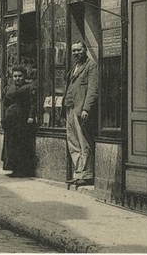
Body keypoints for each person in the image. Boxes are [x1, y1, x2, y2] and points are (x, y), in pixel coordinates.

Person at [63, 41, 99, 186]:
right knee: (73, 142)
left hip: (80, 110)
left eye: (79, 50)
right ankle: (79, 172)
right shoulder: (74, 68)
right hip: (70, 109)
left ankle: (87, 174)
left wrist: (86, 109)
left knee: (84, 142)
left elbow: (92, 90)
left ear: (85, 50)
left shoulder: (91, 66)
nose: (76, 53)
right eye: (73, 51)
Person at [1, 65, 36, 178]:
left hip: (22, 118)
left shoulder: (29, 87)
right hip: (10, 120)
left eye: (20, 76)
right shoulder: (8, 88)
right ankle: (13, 167)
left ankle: (22, 170)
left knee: (21, 143)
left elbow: (33, 103)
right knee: (10, 143)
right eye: (15, 76)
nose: (17, 78)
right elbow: (5, 103)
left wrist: (31, 116)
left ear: (24, 76)